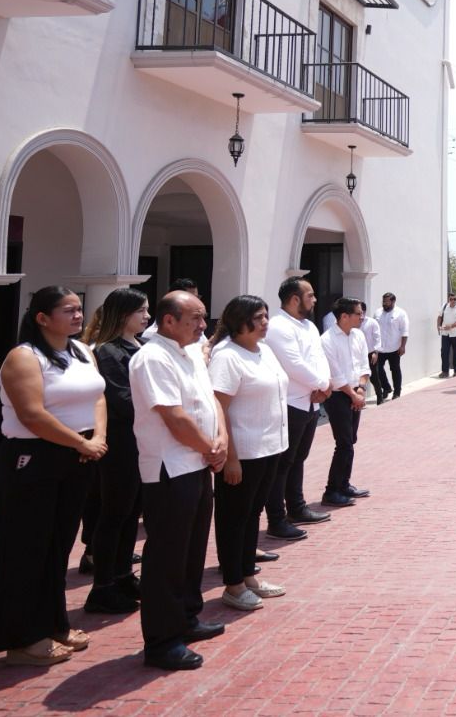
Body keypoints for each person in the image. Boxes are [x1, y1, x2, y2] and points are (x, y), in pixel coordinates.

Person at [0, 287, 106, 666]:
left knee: (56, 546)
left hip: (77, 456)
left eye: (79, 309)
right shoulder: (24, 358)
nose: (78, 315)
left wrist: (97, 437)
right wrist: (80, 443)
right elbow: (32, 415)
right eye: (68, 310)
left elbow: (98, 396)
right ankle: (22, 639)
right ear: (42, 317)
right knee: (25, 548)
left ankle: (53, 623)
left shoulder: (81, 350)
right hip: (33, 458)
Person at [128, 291, 225, 671]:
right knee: (167, 557)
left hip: (197, 464)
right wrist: (210, 448)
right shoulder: (152, 358)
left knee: (192, 551)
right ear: (169, 321)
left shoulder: (188, 351)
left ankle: (186, 617)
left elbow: (210, 400)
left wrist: (220, 442)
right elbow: (174, 417)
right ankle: (162, 640)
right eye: (196, 319)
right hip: (171, 468)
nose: (204, 326)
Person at [206, 295, 289, 614]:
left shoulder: (264, 350)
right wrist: (231, 457)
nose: (266, 322)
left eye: (267, 315)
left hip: (270, 448)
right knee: (233, 518)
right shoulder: (227, 356)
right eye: (259, 317)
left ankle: (248, 575)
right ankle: (233, 583)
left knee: (252, 514)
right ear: (240, 320)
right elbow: (220, 409)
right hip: (244, 451)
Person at [80, 288, 148, 616]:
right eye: (141, 311)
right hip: (121, 443)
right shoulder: (107, 351)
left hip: (142, 442)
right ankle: (103, 586)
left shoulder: (142, 346)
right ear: (123, 315)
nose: (147, 317)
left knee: (130, 516)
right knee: (114, 515)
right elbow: (122, 401)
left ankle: (122, 576)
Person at [263, 278, 331, 542]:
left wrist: (324, 387)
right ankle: (276, 519)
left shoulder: (309, 326)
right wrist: (323, 384)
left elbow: (319, 358)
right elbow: (294, 364)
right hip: (290, 402)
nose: (314, 300)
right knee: (282, 464)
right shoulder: (279, 327)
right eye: (310, 295)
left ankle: (297, 507)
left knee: (298, 458)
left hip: (311, 401)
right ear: (294, 299)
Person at [320, 298, 370, 507]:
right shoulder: (327, 340)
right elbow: (336, 375)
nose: (362, 317)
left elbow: (363, 365)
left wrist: (360, 388)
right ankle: (331, 491)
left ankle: (344, 484)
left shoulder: (358, 335)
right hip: (339, 396)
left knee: (351, 440)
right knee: (344, 443)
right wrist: (352, 395)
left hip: (355, 392)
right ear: (344, 316)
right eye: (358, 313)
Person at [373, 293, 408, 402]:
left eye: (386, 302)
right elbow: (374, 330)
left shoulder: (401, 313)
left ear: (393, 301)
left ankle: (397, 392)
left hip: (394, 348)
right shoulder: (378, 312)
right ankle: (387, 388)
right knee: (377, 370)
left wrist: (403, 346)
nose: (384, 304)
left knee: (395, 370)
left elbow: (404, 331)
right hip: (380, 348)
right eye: (383, 301)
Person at [436, 292, 456, 378]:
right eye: (451, 299)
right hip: (445, 333)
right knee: (444, 352)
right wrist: (438, 326)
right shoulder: (445, 306)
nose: (453, 301)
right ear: (448, 299)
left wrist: (451, 326)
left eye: (454, 299)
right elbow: (439, 316)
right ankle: (445, 371)